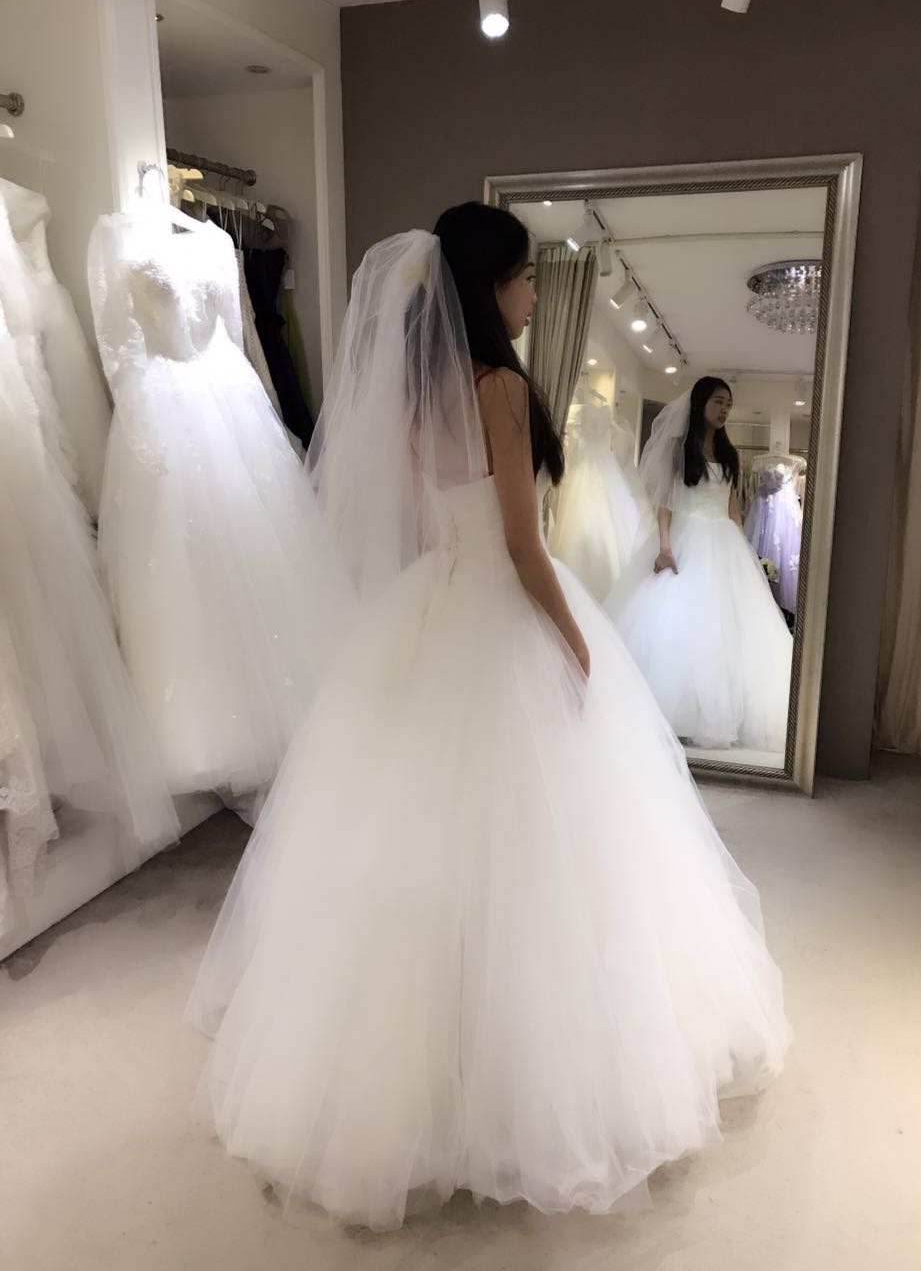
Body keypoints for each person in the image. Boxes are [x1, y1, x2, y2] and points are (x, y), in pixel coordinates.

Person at [187, 206, 791, 1231]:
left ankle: (411, 1084)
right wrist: (576, 638)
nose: (533, 294)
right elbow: (521, 543)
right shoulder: (500, 387)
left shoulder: (420, 392)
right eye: (524, 278)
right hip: (504, 607)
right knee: (542, 850)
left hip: (434, 602)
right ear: (489, 285)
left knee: (415, 843)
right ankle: (519, 1086)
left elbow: (438, 526)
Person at [606, 377, 795, 754]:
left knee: (725, 628)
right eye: (718, 402)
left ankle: (721, 712)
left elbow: (732, 506)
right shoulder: (679, 448)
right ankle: (675, 710)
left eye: (728, 404)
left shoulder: (729, 454)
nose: (724, 410)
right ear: (701, 403)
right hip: (685, 539)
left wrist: (744, 553)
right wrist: (664, 545)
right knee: (678, 624)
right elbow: (665, 502)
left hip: (723, 541)